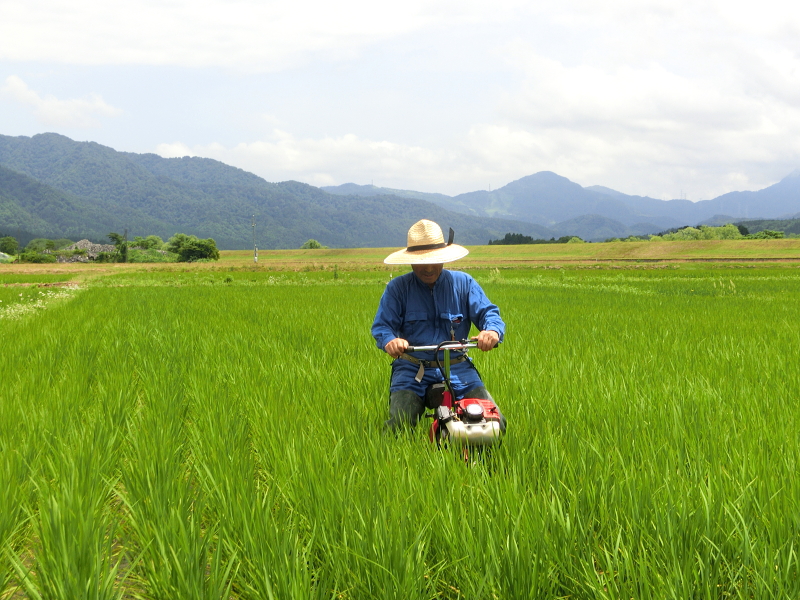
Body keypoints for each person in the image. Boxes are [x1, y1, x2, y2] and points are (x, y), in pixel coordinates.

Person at [372, 219, 506, 431]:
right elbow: (382, 326)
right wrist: (390, 340)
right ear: (410, 261)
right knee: (400, 424)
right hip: (412, 368)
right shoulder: (398, 289)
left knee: (493, 423)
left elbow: (488, 313)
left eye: (434, 260)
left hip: (458, 367)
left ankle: (480, 462)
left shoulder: (464, 284)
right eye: (421, 261)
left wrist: (491, 331)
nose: (429, 267)